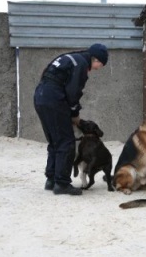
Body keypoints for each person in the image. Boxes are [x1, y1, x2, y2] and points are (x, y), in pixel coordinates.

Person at [34, 44, 108, 195]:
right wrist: (75, 114)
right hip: (55, 100)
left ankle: (51, 180)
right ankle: (62, 184)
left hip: (40, 97)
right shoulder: (80, 64)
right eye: (100, 64)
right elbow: (73, 92)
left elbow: (45, 76)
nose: (98, 68)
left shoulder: (70, 58)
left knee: (55, 141)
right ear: (96, 59)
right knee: (66, 142)